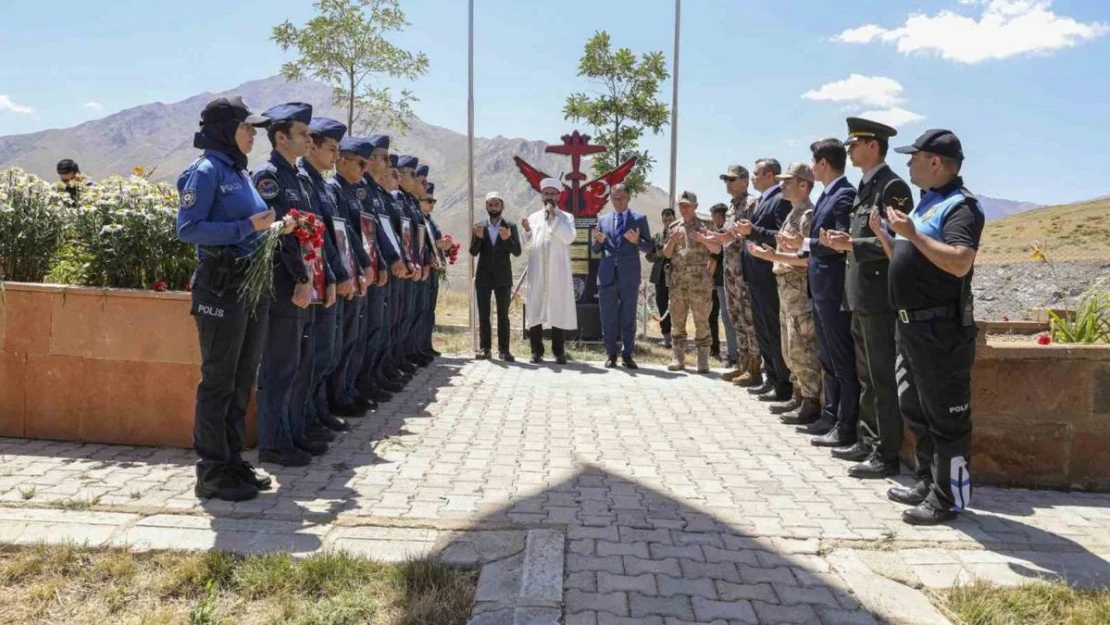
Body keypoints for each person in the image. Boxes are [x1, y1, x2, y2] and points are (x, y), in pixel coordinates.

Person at [875, 129, 983, 526]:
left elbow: (959, 262)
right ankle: (927, 482)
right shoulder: (927, 204)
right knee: (916, 411)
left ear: (935, 162)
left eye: (914, 156)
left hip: (940, 331)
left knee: (947, 420)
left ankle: (949, 499)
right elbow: (913, 257)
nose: (908, 163)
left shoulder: (960, 207)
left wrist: (913, 234)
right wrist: (889, 239)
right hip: (910, 328)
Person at [176, 96, 275, 501]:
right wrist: (246, 227)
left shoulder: (240, 171)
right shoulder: (205, 171)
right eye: (247, 127)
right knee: (219, 380)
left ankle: (233, 461)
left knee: (241, 379)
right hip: (221, 284)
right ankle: (211, 471)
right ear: (225, 130)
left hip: (249, 285)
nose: (254, 134)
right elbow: (189, 228)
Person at [822, 117, 913, 479]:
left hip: (878, 297)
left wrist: (852, 244)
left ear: (873, 145)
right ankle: (867, 438)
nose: (849, 151)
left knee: (881, 377)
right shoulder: (866, 186)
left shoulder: (892, 187)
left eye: (854, 144)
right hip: (859, 294)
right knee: (866, 376)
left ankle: (885, 453)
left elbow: (897, 242)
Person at [253, 102, 330, 468]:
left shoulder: (296, 177)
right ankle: (272, 443)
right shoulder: (269, 177)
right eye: (301, 133)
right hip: (282, 283)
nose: (308, 138)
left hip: (300, 280)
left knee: (295, 363)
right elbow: (280, 234)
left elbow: (308, 233)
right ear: (281, 137)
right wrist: (300, 277)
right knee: (279, 366)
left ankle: (291, 434)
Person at [781, 139, 858, 445]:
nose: (812, 168)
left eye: (814, 162)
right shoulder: (829, 195)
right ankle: (829, 414)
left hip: (835, 287)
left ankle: (845, 422)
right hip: (820, 287)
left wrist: (806, 244)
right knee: (827, 356)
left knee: (841, 359)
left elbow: (839, 242)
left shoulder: (843, 195)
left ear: (823, 163)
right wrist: (803, 244)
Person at [746, 163, 822, 426]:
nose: (782, 186)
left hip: (799, 292)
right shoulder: (793, 214)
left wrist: (772, 255)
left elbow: (807, 258)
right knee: (790, 348)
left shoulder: (807, 215)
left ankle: (811, 401)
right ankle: (799, 394)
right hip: (786, 289)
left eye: (787, 182)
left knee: (803, 347)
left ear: (804, 184)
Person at [301, 117, 361, 431]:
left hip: (330, 278)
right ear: (312, 145)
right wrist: (339, 274)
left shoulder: (322, 185)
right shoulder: (303, 182)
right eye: (332, 149)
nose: (335, 157)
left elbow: (341, 235)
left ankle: (318, 412)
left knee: (326, 351)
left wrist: (347, 271)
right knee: (311, 356)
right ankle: (304, 421)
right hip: (309, 282)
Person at [734, 159, 792, 399]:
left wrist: (753, 231)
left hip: (769, 275)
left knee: (773, 330)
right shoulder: (762, 201)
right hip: (755, 276)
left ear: (770, 175)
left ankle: (782, 384)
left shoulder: (780, 200)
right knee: (763, 330)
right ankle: (771, 378)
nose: (753, 178)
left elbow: (782, 236)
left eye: (756, 173)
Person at [359, 137, 409, 397]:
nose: (389, 164)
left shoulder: (376, 194)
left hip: (381, 269)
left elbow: (387, 235)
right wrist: (375, 263)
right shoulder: (363, 191)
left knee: (382, 327)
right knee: (367, 332)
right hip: (367, 272)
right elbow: (364, 235)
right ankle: (362, 385)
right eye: (384, 158)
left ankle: (375, 378)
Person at [592, 184, 654, 369]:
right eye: (613, 199)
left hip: (629, 276)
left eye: (620, 198)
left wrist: (638, 241)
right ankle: (611, 354)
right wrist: (598, 242)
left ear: (628, 198)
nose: (617, 202)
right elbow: (595, 249)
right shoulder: (603, 220)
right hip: (607, 275)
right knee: (608, 317)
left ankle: (627, 354)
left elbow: (649, 247)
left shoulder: (639, 219)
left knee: (628, 317)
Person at [711, 165, 761, 383]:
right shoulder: (731, 208)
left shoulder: (752, 204)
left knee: (749, 319)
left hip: (745, 271)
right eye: (726, 180)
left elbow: (748, 235)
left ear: (745, 181)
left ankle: (755, 367)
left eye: (732, 180)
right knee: (735, 318)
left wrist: (726, 237)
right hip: (730, 271)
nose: (728, 184)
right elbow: (726, 236)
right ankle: (742, 362)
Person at [662, 191, 721, 373]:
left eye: (687, 205)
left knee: (702, 320)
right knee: (677, 320)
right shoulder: (673, 227)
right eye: (681, 205)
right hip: (678, 280)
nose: (684, 208)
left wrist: (704, 239)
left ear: (695, 206)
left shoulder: (706, 225)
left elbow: (717, 249)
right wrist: (671, 242)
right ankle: (677, 358)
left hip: (699, 281)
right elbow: (666, 253)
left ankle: (702, 360)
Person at [522, 177, 577, 364]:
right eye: (546, 193)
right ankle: (536, 351)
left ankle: (558, 351)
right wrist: (527, 232)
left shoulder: (566, 217)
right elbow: (528, 246)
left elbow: (569, 238)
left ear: (559, 196)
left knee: (558, 308)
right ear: (541, 196)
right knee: (535, 307)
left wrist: (554, 218)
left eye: (553, 194)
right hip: (538, 270)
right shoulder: (533, 217)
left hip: (557, 271)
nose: (549, 196)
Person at [471, 191, 522, 360]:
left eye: (496, 204)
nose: (493, 208)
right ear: (486, 206)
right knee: (484, 315)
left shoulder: (510, 226)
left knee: (503, 315)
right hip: (483, 278)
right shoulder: (479, 226)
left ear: (502, 206)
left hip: (503, 278)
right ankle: (485, 349)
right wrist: (478, 238)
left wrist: (507, 239)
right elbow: (473, 251)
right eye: (490, 204)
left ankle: (504, 350)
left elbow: (517, 252)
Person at [707, 202, 736, 363]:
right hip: (729, 279)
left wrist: (708, 277)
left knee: (727, 317)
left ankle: (733, 354)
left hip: (721, 280)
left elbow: (713, 259)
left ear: (718, 216)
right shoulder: (726, 232)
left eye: (713, 216)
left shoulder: (720, 233)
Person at [419, 182, 445, 361]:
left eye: (434, 201)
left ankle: (425, 344)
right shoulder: (418, 219)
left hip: (434, 269)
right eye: (428, 201)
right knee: (419, 311)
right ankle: (418, 347)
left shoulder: (430, 222)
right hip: (423, 268)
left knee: (429, 310)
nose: (431, 204)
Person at [645, 208, 676, 348]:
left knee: (677, 307)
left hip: (677, 277)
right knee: (662, 307)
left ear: (674, 219)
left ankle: (678, 337)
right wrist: (657, 254)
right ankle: (667, 338)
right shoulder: (657, 237)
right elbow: (648, 256)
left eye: (670, 220)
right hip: (660, 278)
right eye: (665, 220)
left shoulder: (679, 235)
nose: (667, 222)